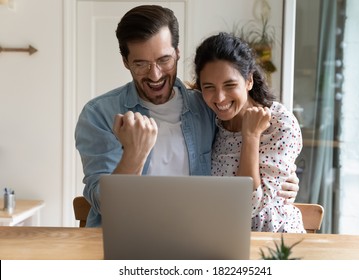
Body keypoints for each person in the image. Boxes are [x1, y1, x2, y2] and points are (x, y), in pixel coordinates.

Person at [75, 5, 299, 227]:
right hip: (126, 240)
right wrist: (134, 153)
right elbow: (105, 204)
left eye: (164, 60)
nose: (155, 75)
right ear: (126, 62)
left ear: (177, 53)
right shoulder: (99, 115)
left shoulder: (206, 107)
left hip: (196, 238)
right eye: (141, 64)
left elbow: (238, 161)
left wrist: (282, 181)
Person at [193, 32, 305, 233]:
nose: (219, 98)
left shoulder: (280, 124)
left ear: (249, 81)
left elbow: (247, 206)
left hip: (275, 243)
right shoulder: (209, 120)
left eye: (230, 85)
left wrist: (251, 137)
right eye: (209, 87)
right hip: (222, 239)